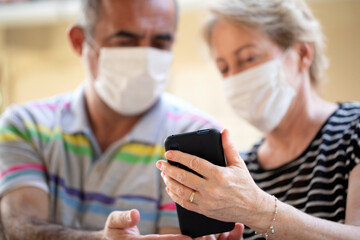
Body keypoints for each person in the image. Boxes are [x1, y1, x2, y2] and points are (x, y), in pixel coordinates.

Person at [0, 0, 245, 239]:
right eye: (126, 41)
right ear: (79, 41)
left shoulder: (193, 137)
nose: (145, 59)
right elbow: (19, 228)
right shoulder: (25, 125)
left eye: (160, 42)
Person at [157, 0, 360, 239]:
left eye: (249, 58)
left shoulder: (353, 129)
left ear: (303, 53)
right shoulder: (241, 171)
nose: (235, 78)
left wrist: (258, 210)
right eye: (224, 68)